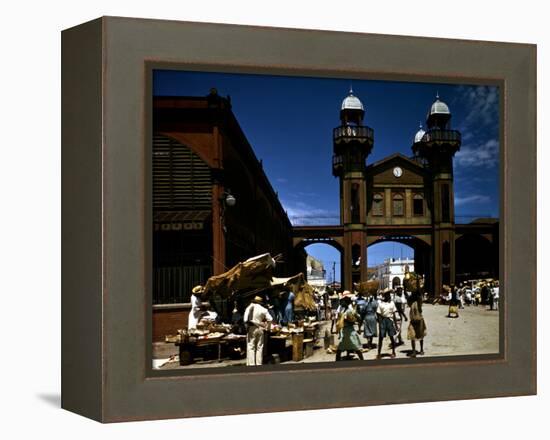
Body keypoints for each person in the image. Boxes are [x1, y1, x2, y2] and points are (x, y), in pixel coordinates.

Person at [244, 296, 273, 366]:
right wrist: (268, 328)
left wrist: (246, 328)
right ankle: (259, 364)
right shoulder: (263, 309)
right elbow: (270, 319)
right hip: (261, 329)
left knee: (251, 346)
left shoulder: (249, 308)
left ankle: (251, 364)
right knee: (260, 346)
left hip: (251, 328)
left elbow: (245, 320)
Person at [335, 292, 364, 361]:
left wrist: (349, 320)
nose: (341, 303)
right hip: (345, 333)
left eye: (342, 301)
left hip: (350, 332)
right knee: (339, 351)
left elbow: (357, 319)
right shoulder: (343, 310)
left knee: (356, 349)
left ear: (346, 302)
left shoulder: (349, 311)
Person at [376, 290, 398, 359]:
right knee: (381, 338)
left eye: (389, 295)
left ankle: (393, 352)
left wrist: (396, 324)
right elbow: (378, 314)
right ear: (384, 296)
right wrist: (380, 324)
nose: (388, 296)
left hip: (390, 321)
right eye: (387, 295)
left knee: (391, 337)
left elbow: (394, 314)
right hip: (383, 321)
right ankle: (379, 353)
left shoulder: (392, 303)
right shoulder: (380, 304)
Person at [407, 291, 427, 357]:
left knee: (421, 336)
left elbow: (419, 297)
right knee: (412, 336)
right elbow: (408, 298)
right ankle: (413, 351)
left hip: (420, 321)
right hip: (412, 321)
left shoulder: (419, 303)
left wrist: (417, 289)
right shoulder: (411, 303)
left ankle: (421, 349)